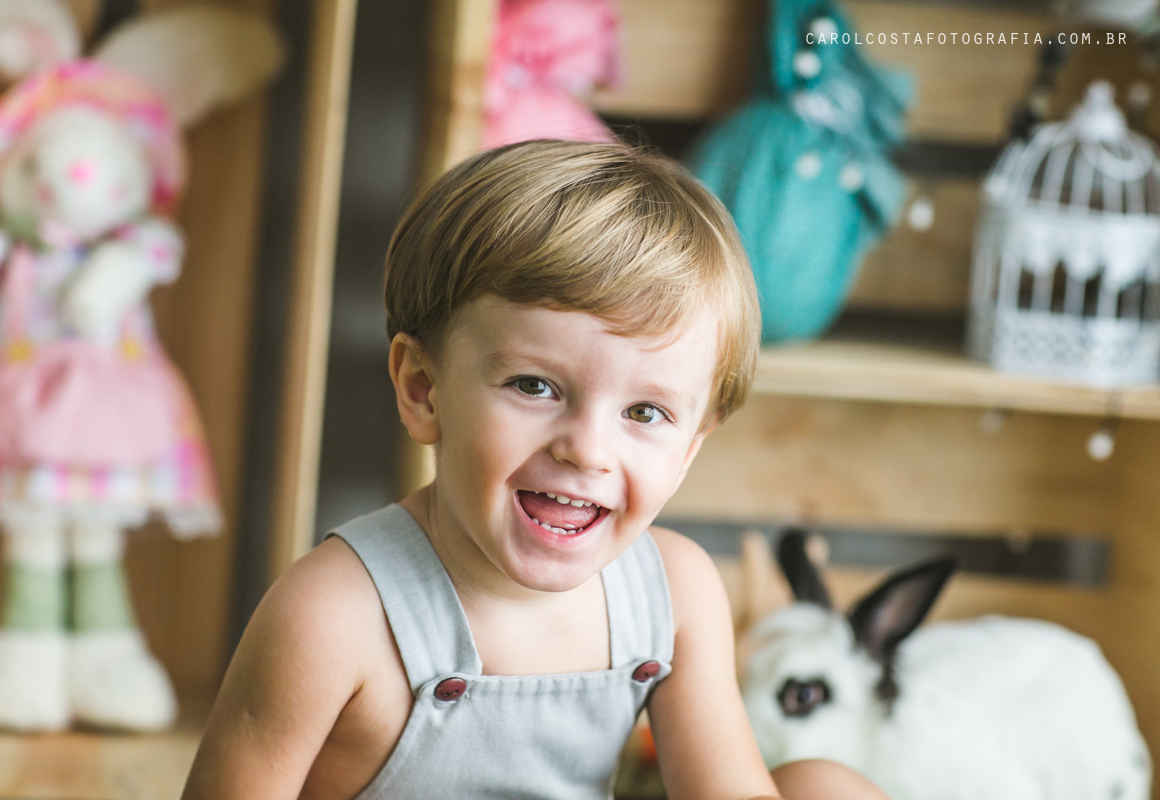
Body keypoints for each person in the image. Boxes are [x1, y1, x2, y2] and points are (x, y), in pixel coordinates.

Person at [181, 140, 890, 800]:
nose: (586, 450)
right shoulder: (334, 614)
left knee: (827, 786)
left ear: (690, 449)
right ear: (423, 390)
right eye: (535, 386)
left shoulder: (673, 594)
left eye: (644, 413)